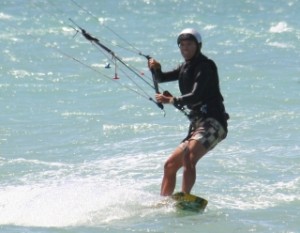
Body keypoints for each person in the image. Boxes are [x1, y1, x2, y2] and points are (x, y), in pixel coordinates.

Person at [148, 28, 229, 196]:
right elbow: (161, 78)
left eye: (190, 44)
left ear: (198, 45)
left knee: (189, 157)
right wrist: (156, 69)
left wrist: (172, 100)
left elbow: (196, 95)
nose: (185, 48)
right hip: (198, 125)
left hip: (214, 122)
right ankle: (164, 201)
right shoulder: (185, 67)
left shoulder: (205, 66)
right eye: (182, 45)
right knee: (170, 165)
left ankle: (185, 197)